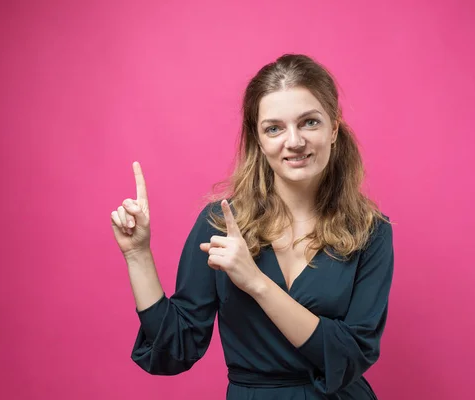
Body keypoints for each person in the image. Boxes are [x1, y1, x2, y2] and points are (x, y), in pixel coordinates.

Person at [111, 54, 394, 400]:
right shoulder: (220, 223)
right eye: (274, 128)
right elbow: (176, 348)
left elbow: (350, 356)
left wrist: (257, 283)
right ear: (258, 140)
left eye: (309, 122)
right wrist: (137, 255)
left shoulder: (371, 231)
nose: (294, 141)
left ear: (333, 128)